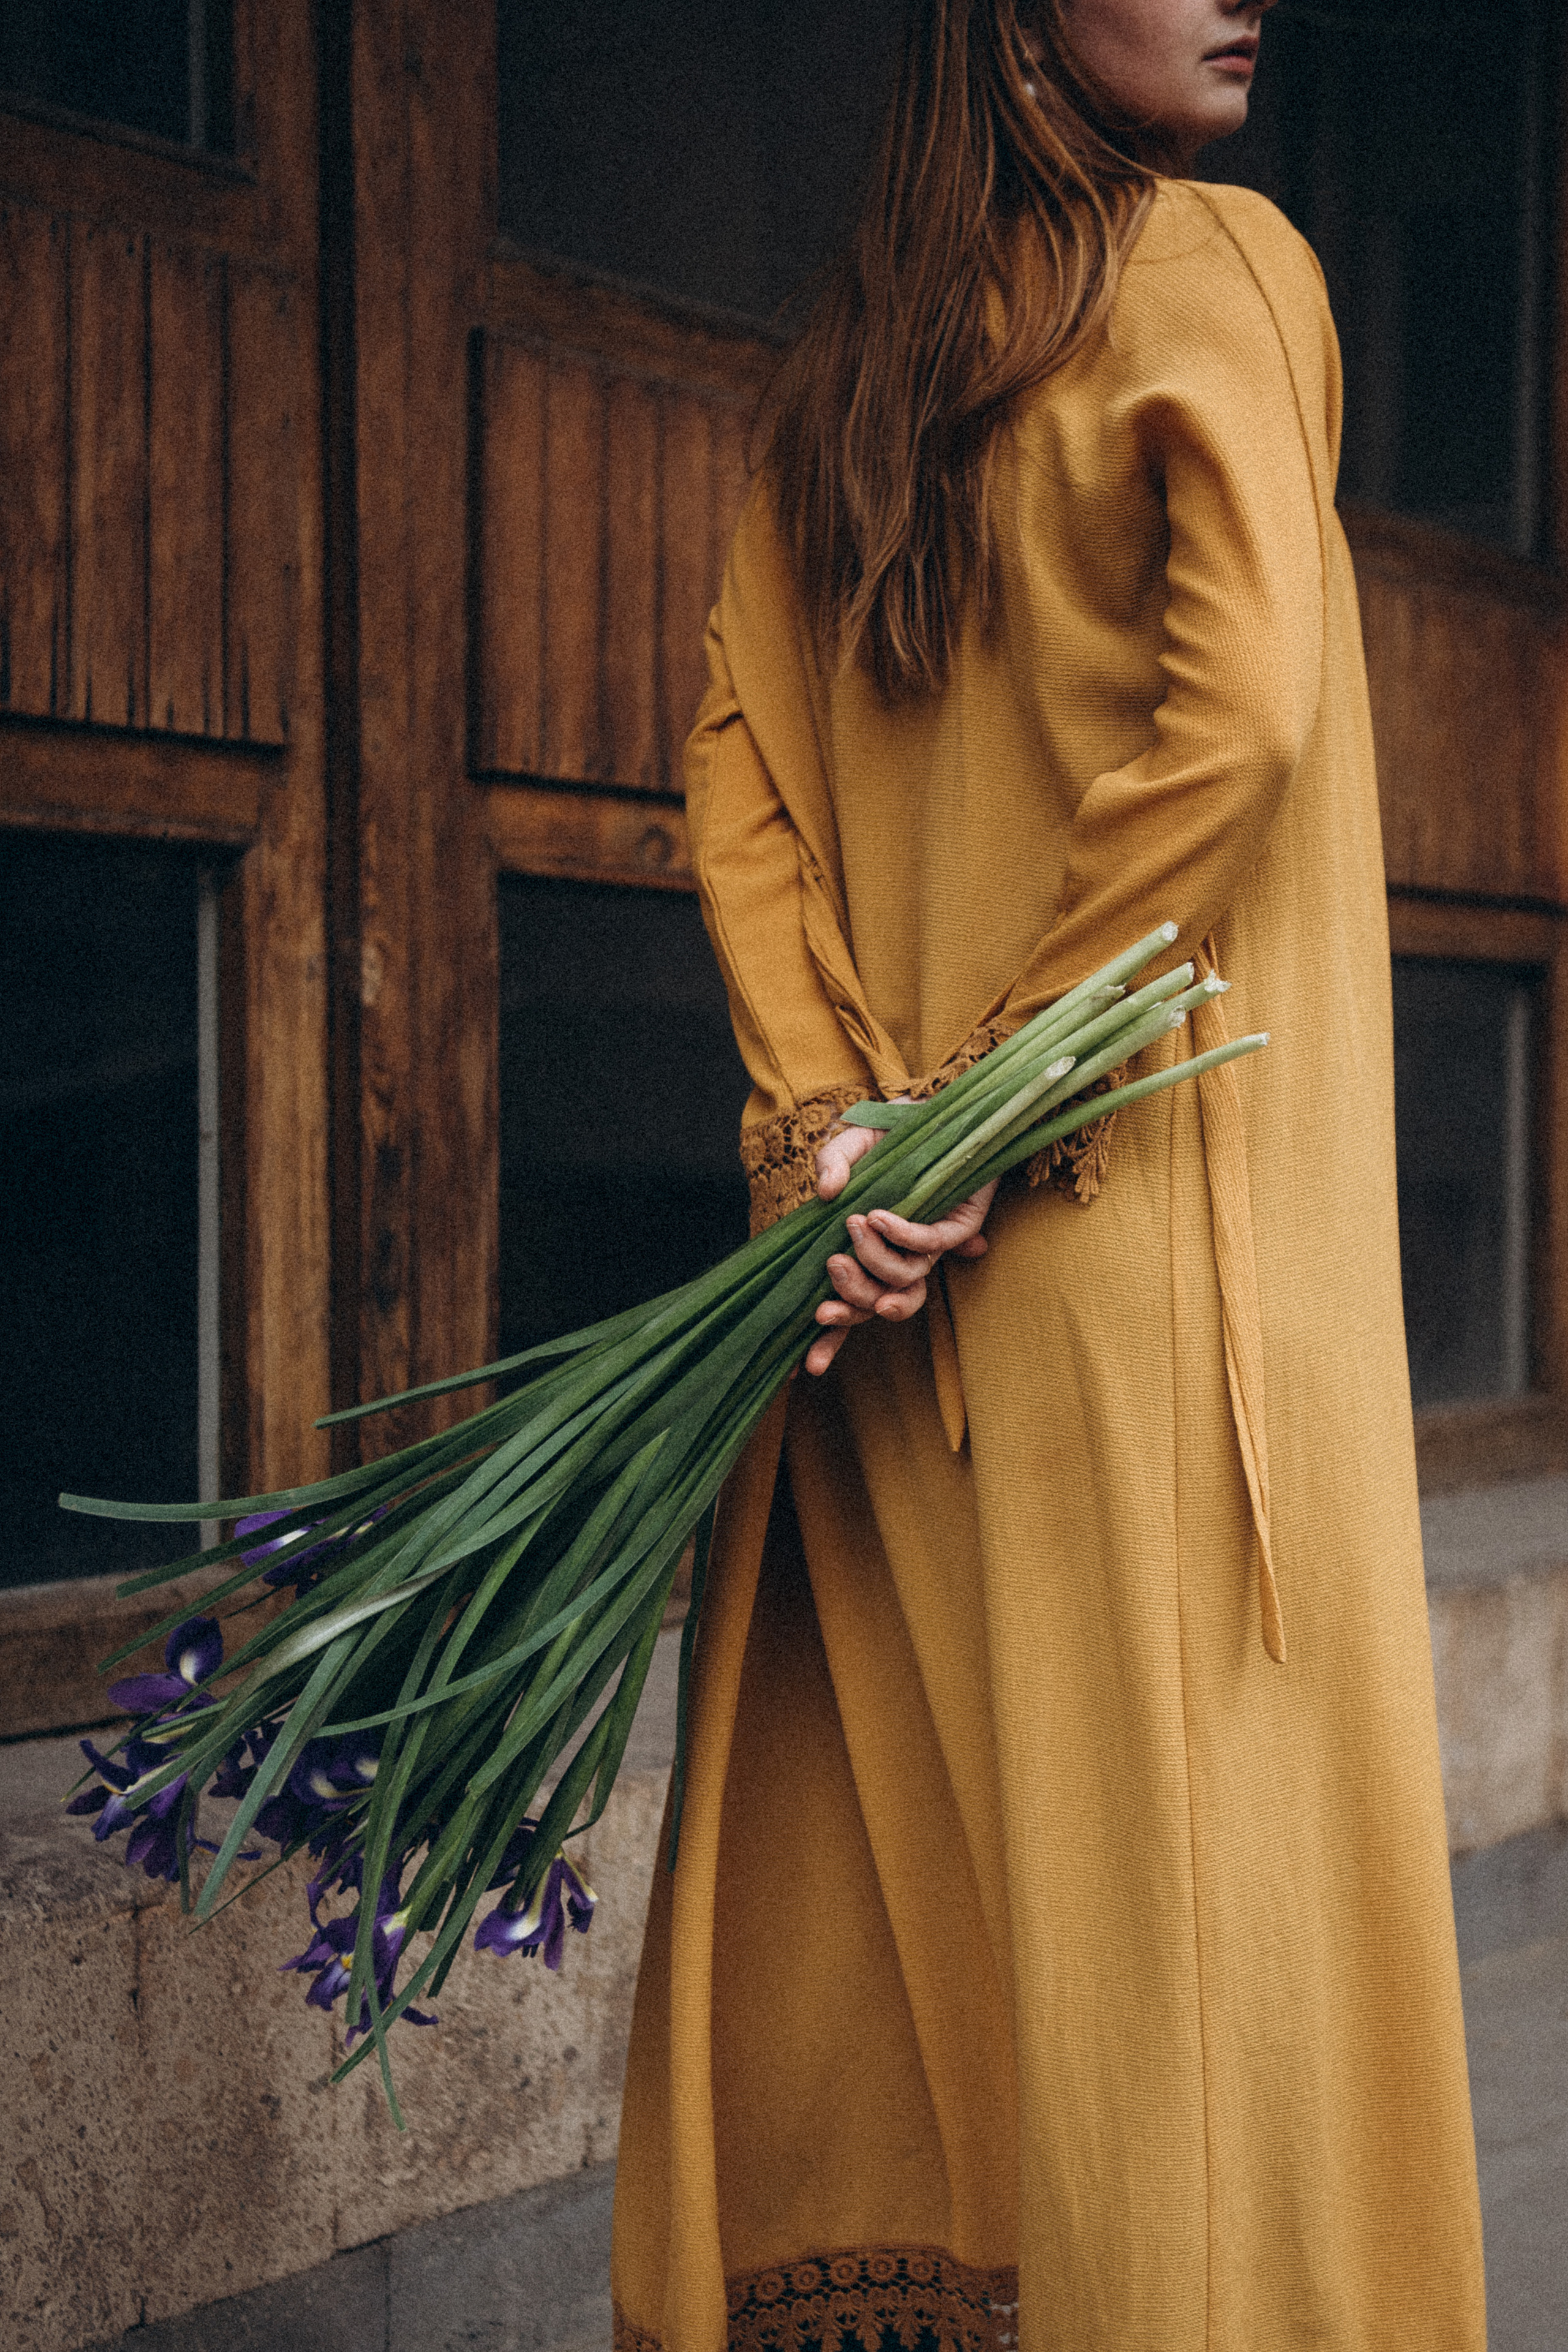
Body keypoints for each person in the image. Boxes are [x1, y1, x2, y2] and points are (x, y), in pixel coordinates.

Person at [611, 3, 1487, 2346]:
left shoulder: (843, 387)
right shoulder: (1214, 263)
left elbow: (742, 786)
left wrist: (846, 1137)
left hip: (888, 1283)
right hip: (1149, 1276)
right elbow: (1257, 714)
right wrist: (1005, 1099)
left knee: (961, 1927)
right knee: (1198, 1968)